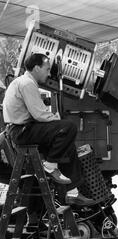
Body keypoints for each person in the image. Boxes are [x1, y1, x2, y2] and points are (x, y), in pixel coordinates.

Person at [2, 53, 95, 206]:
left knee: (68, 145)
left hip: (23, 129)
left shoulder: (24, 82)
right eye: (46, 69)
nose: (48, 73)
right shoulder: (26, 83)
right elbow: (40, 114)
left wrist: (55, 123)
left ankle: (72, 193)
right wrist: (58, 122)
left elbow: (38, 114)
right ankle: (50, 166)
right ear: (37, 68)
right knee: (69, 127)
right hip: (21, 131)